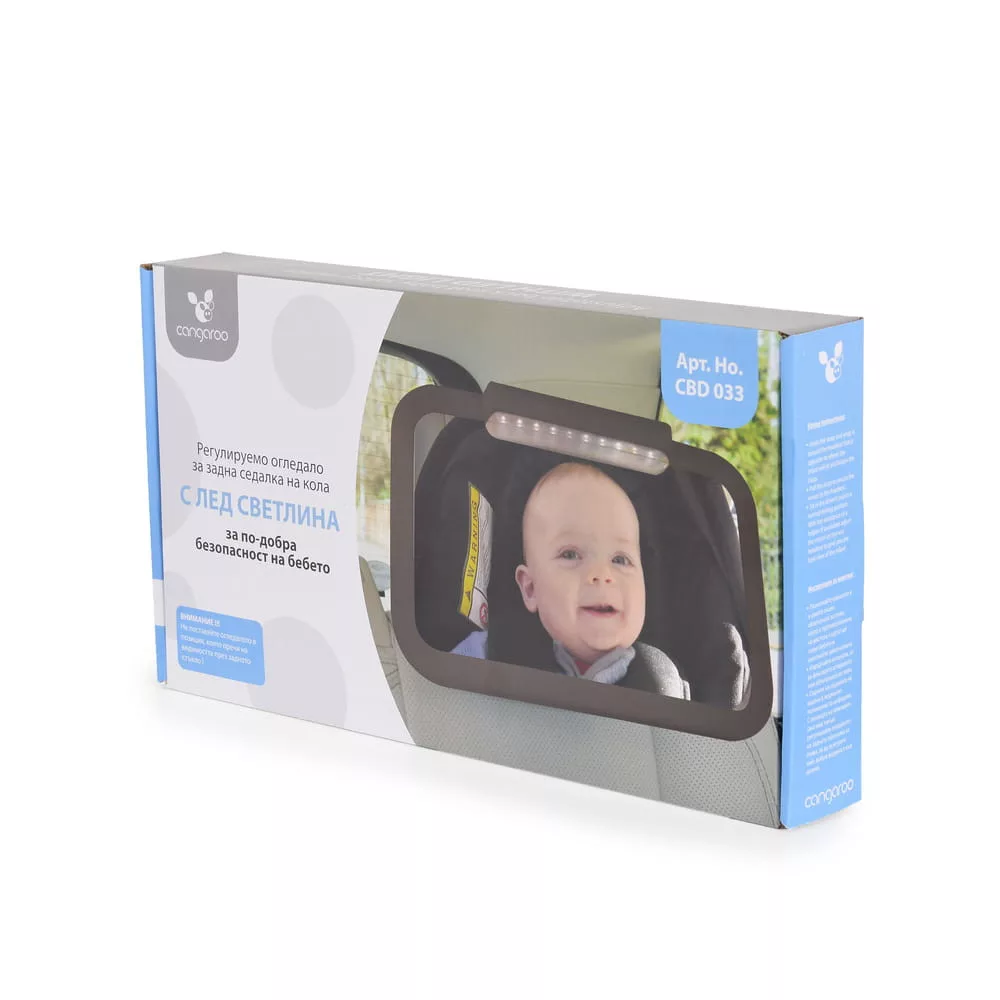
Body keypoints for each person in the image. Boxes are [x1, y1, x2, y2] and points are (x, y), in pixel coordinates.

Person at [451, 462, 690, 699]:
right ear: (531, 589)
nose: (603, 574)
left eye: (620, 559)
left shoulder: (664, 683)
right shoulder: (487, 655)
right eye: (571, 555)